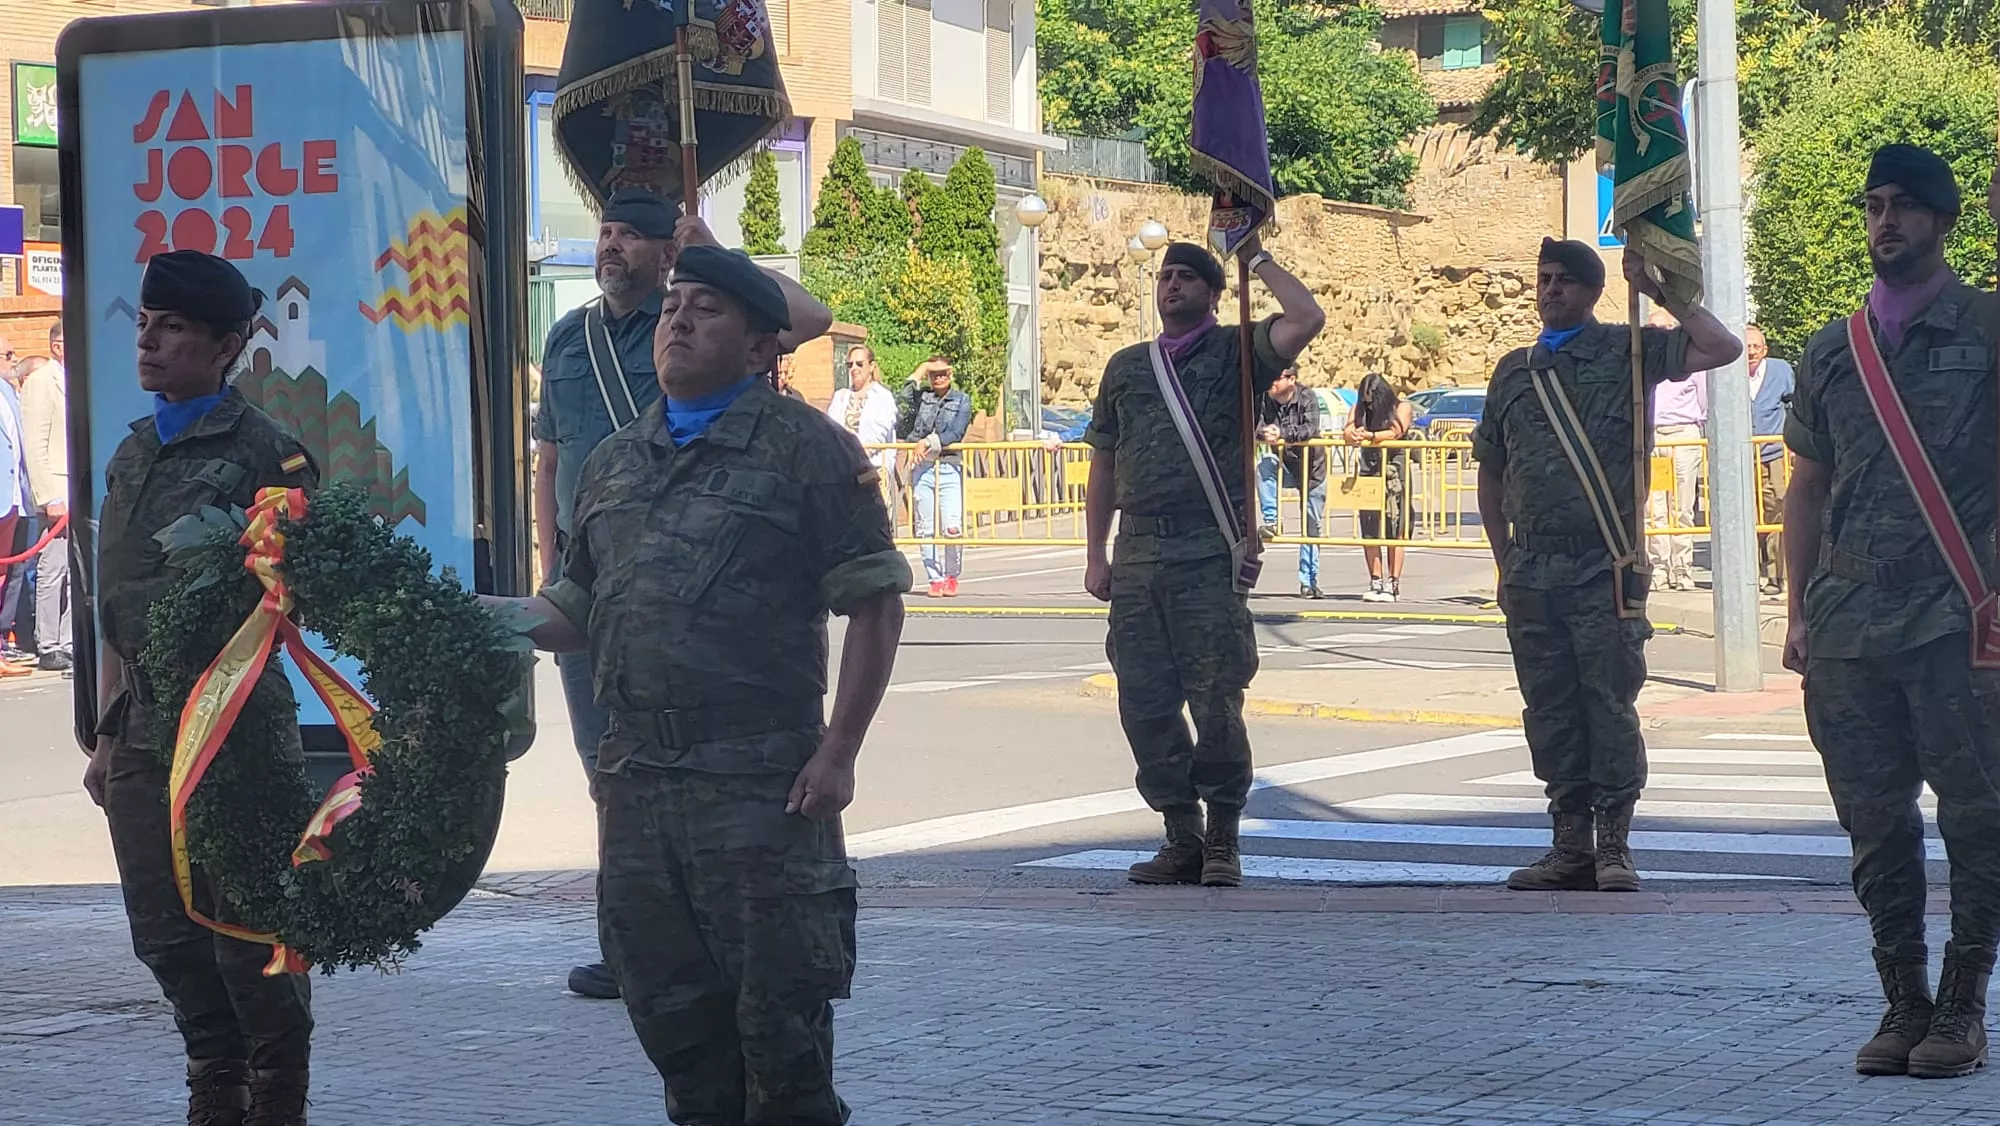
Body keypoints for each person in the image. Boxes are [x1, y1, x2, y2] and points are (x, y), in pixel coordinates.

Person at [487, 245, 908, 1124]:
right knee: (679, 1042)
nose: (677, 321)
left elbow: (873, 605)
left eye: (706, 309)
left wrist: (840, 752)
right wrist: (473, 621)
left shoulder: (806, 451)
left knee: (782, 1053)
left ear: (762, 348)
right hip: (640, 792)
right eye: (675, 305)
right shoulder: (614, 460)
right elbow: (576, 607)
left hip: (761, 793)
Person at [532, 189, 832, 1000]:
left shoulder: (706, 319)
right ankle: (626, 943)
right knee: (610, 770)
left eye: (632, 236)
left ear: (666, 252)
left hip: (696, 574)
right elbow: (552, 457)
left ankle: (702, 942)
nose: (612, 247)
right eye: (606, 232)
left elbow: (809, 317)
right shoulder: (566, 339)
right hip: (592, 576)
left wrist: (715, 247)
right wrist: (546, 556)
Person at [79, 251, 321, 1126]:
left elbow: (295, 590)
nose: (149, 342)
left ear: (227, 346)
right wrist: (108, 734)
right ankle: (213, 1083)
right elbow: (115, 605)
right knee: (166, 935)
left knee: (248, 932)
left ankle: (277, 1094)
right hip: (144, 730)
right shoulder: (133, 453)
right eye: (146, 323)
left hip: (235, 731)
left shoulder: (269, 453)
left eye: (173, 328)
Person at [1783, 146, 2000, 1080]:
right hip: (1848, 621)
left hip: (1963, 616)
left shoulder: (1989, 329)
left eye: (1907, 207)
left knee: (1980, 816)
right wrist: (1794, 611)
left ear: (1944, 221)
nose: (1886, 222)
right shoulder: (1833, 350)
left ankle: (1963, 999)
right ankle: (1902, 998)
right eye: (1874, 206)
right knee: (1874, 822)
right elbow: (1808, 485)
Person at [1474, 237, 1740, 894]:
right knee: (1550, 710)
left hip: (1603, 566)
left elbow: (1721, 347)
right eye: (1543, 279)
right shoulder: (1514, 370)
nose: (1551, 290)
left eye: (1565, 280)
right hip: (1533, 570)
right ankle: (1569, 846)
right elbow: (1490, 469)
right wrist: (1503, 561)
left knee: (1608, 706)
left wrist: (1659, 291)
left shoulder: (1629, 350)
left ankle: (1615, 846)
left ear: (1593, 292)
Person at [1083, 237, 1326, 887]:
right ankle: (1179, 832)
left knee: (1215, 698)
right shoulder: (1127, 367)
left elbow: (1306, 318)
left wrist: (1257, 258)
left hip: (1205, 553)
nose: (1172, 286)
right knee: (1143, 701)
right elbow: (1104, 461)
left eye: (1188, 278)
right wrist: (1094, 552)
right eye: (1165, 277)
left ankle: (1222, 834)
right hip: (1138, 553)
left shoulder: (1238, 351)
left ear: (1215, 295)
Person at [1645, 310, 1707, 591]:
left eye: (1667, 328)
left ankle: (1682, 568)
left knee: (1682, 507)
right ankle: (1659, 567)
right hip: (1654, 435)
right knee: (1655, 508)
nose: (1661, 333)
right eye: (1655, 328)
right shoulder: (1643, 363)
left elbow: (1704, 403)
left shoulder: (1690, 363)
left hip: (1683, 432)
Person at [19, 344, 71, 671]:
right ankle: (49, 643)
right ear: (57, 346)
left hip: (78, 487)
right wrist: (49, 495)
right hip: (57, 490)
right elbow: (34, 443)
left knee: (75, 571)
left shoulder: (75, 379)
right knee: (54, 568)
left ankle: (68, 641)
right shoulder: (42, 381)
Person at [902, 356, 973, 597]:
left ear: (951, 374)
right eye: (934, 373)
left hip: (948, 464)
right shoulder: (923, 397)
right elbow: (904, 399)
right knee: (926, 527)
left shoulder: (962, 400)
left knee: (952, 526)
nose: (939, 377)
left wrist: (928, 442)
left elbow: (956, 432)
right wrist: (920, 369)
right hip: (923, 467)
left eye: (943, 372)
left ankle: (952, 575)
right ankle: (935, 578)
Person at [1255, 366, 1328, 598]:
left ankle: (1309, 581)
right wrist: (1264, 433)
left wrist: (1282, 433)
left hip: (1312, 469)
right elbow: (1254, 424)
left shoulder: (1307, 396)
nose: (1273, 383)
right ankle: (1271, 520)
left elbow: (1311, 428)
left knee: (1310, 526)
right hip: (1284, 463)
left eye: (1277, 378)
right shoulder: (1265, 398)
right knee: (1264, 464)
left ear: (1292, 380)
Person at [1344, 371, 1413, 603]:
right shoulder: (1359, 409)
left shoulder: (1401, 407)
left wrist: (1371, 435)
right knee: (1369, 525)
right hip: (1368, 467)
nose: (1369, 403)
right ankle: (1375, 580)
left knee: (1396, 524)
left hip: (1394, 468)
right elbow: (1347, 429)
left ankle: (1393, 583)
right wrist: (1352, 434)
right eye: (1365, 399)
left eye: (1372, 398)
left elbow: (1397, 431)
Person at [1744, 324, 1794, 596]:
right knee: (1748, 513)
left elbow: (1794, 404)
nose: (1751, 352)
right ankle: (1755, 573)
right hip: (1741, 455)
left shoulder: (1780, 370)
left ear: (1764, 349)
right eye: (1747, 346)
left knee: (1778, 509)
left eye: (1755, 346)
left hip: (1775, 452)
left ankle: (1777, 575)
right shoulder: (1729, 372)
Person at [827, 343, 899, 519]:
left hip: (873, 470)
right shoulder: (840, 396)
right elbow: (831, 430)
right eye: (849, 365)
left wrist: (856, 455)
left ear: (871, 366)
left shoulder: (882, 396)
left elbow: (878, 435)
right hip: (843, 471)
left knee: (874, 524)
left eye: (860, 364)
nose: (854, 369)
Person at [0, 356, 28, 679]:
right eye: (6, 355)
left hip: (11, 498)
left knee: (3, 577)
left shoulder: (8, 391)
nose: (13, 360)